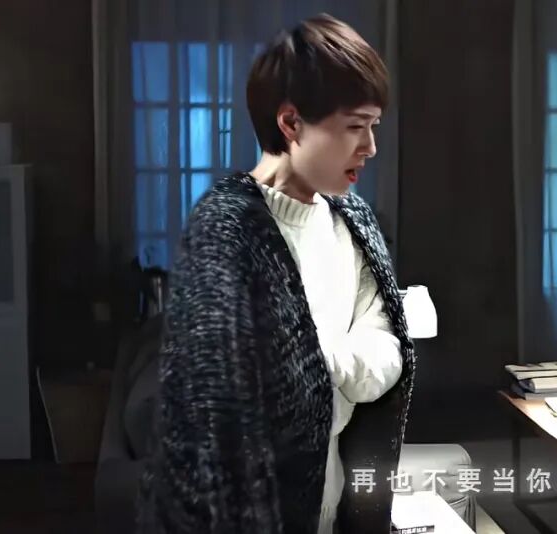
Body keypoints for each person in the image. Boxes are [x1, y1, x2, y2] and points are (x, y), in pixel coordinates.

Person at [137, 14, 412, 534]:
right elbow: (221, 410)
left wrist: (312, 363)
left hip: (339, 507)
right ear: (291, 124)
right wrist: (334, 373)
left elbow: (388, 354)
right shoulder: (225, 230)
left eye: (374, 126)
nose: (370, 147)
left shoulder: (355, 222)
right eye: (355, 126)